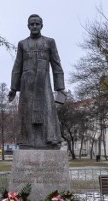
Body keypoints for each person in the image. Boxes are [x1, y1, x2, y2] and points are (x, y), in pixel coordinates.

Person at [8, 14, 65, 150]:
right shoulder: (22, 44)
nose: (34, 26)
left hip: (44, 83)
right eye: (32, 24)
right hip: (27, 84)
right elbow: (17, 66)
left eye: (37, 24)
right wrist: (13, 88)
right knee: (27, 112)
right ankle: (27, 140)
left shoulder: (49, 42)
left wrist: (60, 88)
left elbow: (56, 65)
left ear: (41, 25)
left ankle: (50, 139)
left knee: (47, 111)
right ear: (28, 26)